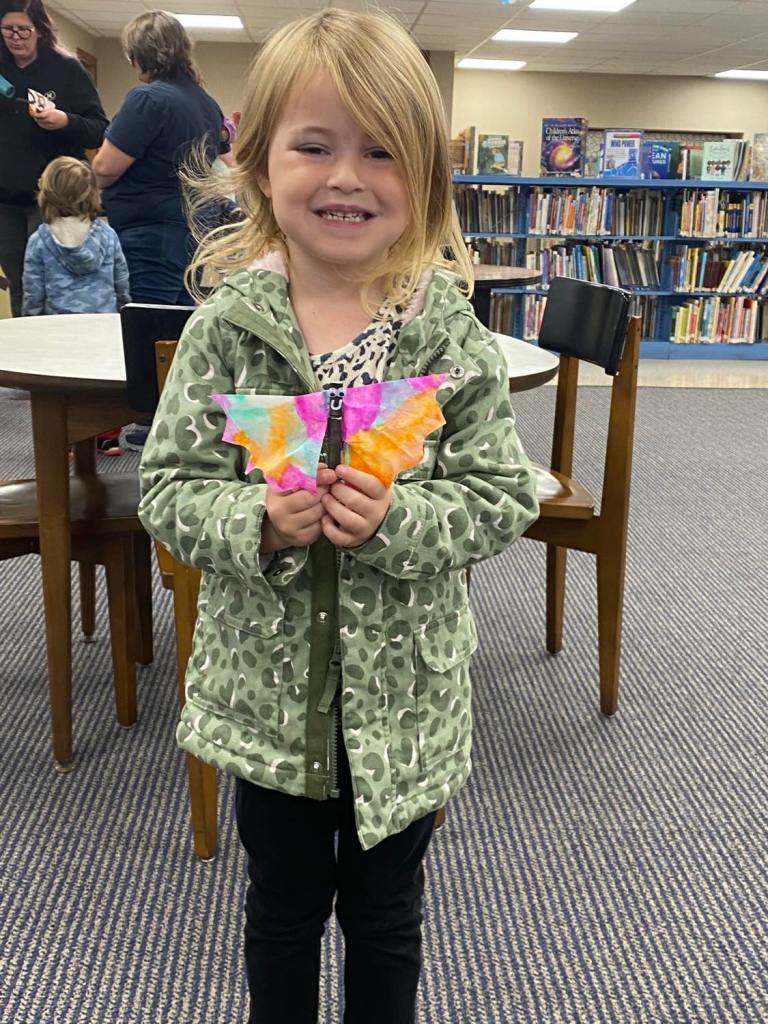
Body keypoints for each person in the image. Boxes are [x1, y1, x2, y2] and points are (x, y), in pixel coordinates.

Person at [138, 9, 539, 1023]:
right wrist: (258, 523)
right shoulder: (227, 329)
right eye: (314, 146)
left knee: (387, 915)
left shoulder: (446, 334)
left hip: (403, 708)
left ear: (425, 179)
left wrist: (398, 519)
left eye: (382, 151)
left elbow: (499, 495)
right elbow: (169, 487)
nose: (347, 176)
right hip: (267, 703)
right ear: (259, 163)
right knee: (280, 911)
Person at [91, 10, 226, 450]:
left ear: (137, 56)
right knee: (178, 323)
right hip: (191, 225)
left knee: (149, 326)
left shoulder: (148, 100)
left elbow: (106, 167)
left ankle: (149, 422)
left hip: (150, 228)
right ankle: (177, 416)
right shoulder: (205, 102)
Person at [0, 0, 108, 317]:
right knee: (21, 285)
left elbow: (99, 130)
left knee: (53, 284)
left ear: (40, 30)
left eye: (23, 30)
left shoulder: (67, 70)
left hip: (52, 200)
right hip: (5, 202)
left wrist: (65, 121)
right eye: (8, 30)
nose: (16, 37)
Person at [22, 155, 130, 455]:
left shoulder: (40, 240)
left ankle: (67, 436)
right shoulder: (107, 235)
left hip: (59, 328)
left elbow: (33, 289)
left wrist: (30, 323)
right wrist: (123, 309)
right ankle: (107, 436)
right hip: (102, 323)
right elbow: (121, 279)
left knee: (64, 384)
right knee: (103, 381)